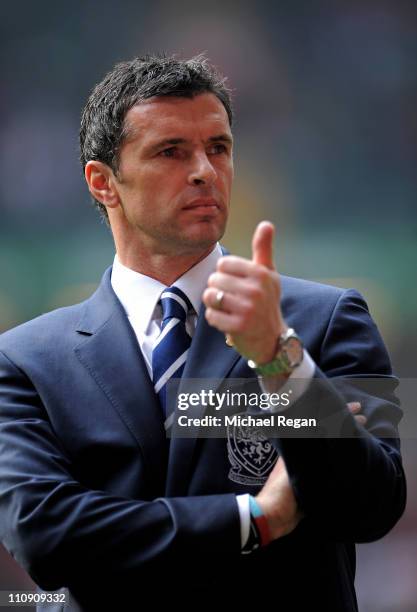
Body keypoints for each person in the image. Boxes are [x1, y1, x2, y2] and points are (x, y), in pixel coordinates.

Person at [0, 54, 406, 611]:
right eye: (171, 151)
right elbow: (45, 537)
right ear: (103, 183)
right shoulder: (25, 361)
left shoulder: (327, 318)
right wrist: (255, 518)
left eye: (218, 147)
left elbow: (373, 507)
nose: (205, 171)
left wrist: (279, 361)